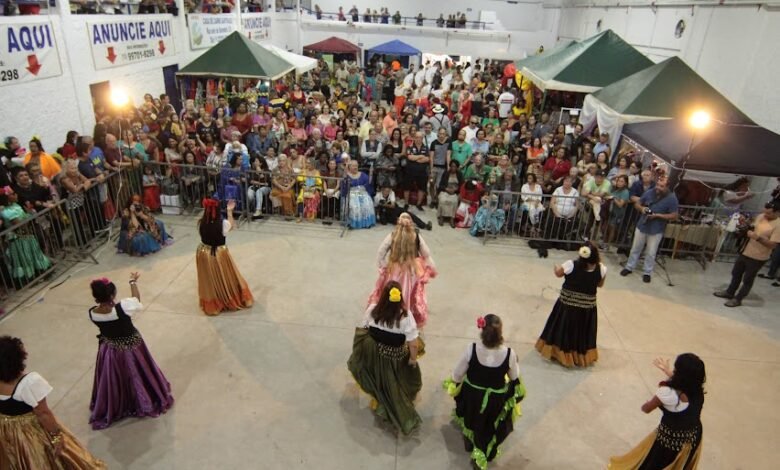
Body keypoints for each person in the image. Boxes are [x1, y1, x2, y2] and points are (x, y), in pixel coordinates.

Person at [0, 336, 106, 468]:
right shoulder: (29, 382)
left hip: (5, 432)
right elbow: (43, 413)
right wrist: (56, 436)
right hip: (30, 433)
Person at [88, 274, 173, 429]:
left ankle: (120, 402)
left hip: (110, 351)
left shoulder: (92, 313)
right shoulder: (123, 307)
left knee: (116, 377)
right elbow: (137, 300)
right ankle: (143, 400)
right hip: (131, 348)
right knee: (137, 372)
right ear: (112, 295)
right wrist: (133, 282)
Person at [444, 314, 526, 470]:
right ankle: (481, 452)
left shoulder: (472, 349)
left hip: (472, 396)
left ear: (482, 330)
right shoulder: (509, 354)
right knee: (488, 424)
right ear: (500, 333)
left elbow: (457, 374)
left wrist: (455, 383)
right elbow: (514, 377)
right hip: (494, 399)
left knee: (471, 416)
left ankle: (469, 440)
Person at [348, 282, 422, 435]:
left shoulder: (373, 310)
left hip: (374, 353)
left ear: (383, 297)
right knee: (417, 349)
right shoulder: (406, 317)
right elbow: (414, 344)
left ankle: (379, 395)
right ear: (400, 298)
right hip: (395, 356)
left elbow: (364, 327)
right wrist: (412, 360)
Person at [609, 353, 706, 470]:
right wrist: (668, 372)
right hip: (692, 438)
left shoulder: (667, 393)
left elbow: (646, 409)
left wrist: (647, 403)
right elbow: (685, 383)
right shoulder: (698, 391)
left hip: (670, 442)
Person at [536, 242, 606, 367]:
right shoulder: (601, 269)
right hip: (586, 310)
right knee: (580, 332)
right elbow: (600, 284)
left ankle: (560, 354)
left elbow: (558, 274)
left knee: (563, 330)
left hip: (567, 308)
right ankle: (579, 356)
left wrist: (556, 267)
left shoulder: (571, 265)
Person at [370, 213, 437, 327]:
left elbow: (381, 252)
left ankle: (390, 312)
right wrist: (431, 267)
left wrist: (384, 266)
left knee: (391, 291)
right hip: (411, 271)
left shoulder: (392, 235)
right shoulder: (416, 236)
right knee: (410, 293)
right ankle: (407, 315)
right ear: (411, 223)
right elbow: (426, 253)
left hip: (394, 270)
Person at [714, 200, 780, 307]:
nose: (765, 215)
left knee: (748, 279)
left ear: (777, 213)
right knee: (736, 273)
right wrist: (745, 222)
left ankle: (738, 299)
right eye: (765, 211)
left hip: (758, 256)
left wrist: (757, 238)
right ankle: (730, 292)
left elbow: (773, 245)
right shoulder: (761, 216)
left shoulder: (778, 225)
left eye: (769, 213)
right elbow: (753, 226)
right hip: (745, 251)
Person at [196, 198, 253, 315]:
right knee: (224, 275)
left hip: (203, 252)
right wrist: (229, 211)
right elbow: (231, 226)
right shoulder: (222, 224)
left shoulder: (201, 222)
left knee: (209, 278)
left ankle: (213, 300)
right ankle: (226, 298)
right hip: (218, 254)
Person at [620, 177, 678, 283]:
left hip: (656, 229)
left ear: (667, 187)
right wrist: (642, 209)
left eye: (661, 186)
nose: (658, 188)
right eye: (657, 185)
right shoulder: (650, 192)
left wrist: (658, 216)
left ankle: (647, 272)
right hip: (642, 225)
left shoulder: (672, 198)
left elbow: (674, 215)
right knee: (635, 248)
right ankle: (629, 267)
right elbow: (637, 203)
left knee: (651, 252)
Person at [0, 186, 52, 286]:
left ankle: (38, 273)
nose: (16, 195)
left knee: (33, 254)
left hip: (26, 236)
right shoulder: (7, 211)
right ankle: (29, 278)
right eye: (13, 194)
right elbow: (20, 225)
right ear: (6, 198)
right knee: (25, 258)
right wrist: (29, 215)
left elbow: (24, 220)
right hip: (19, 240)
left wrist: (29, 213)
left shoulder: (15, 205)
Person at [343, 160, 376, 229]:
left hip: (363, 193)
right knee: (354, 206)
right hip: (352, 194)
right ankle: (352, 223)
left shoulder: (363, 174)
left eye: (356, 166)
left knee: (367, 203)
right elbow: (344, 182)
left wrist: (371, 174)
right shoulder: (347, 175)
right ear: (349, 167)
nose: (355, 167)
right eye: (353, 166)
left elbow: (369, 182)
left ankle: (367, 223)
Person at [438, 160, 463, 227]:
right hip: (445, 190)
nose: (453, 168)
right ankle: (441, 217)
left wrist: (455, 190)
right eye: (452, 166)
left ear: (457, 167)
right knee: (443, 199)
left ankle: (452, 218)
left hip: (455, 192)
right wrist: (446, 189)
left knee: (454, 201)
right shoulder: (446, 173)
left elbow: (462, 186)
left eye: (455, 167)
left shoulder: (459, 174)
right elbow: (440, 185)